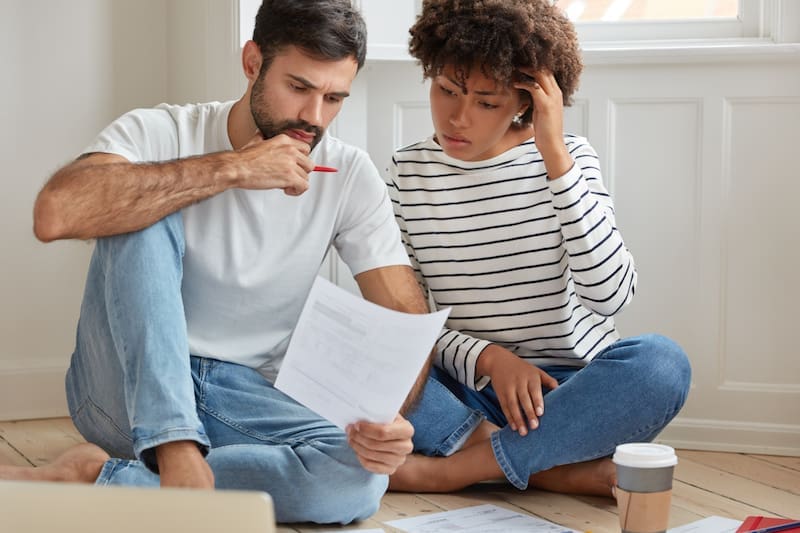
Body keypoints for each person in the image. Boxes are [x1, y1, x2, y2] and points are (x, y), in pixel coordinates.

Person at [1, 0, 432, 525]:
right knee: (139, 200)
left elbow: (404, 315)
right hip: (122, 383)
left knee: (358, 479)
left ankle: (99, 481)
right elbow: (55, 213)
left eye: (334, 98)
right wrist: (234, 169)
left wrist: (390, 419)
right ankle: (175, 447)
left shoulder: (347, 173)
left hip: (240, 392)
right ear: (253, 62)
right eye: (298, 88)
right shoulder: (163, 132)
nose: (314, 118)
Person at [384, 0, 692, 497]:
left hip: (568, 399)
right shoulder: (407, 172)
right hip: (468, 389)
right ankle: (550, 469)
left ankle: (454, 469)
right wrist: (491, 360)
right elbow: (412, 317)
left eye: (487, 102)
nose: (459, 117)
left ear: (526, 102)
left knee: (662, 365)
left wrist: (555, 156)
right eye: (446, 91)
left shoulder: (570, 160)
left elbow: (611, 297)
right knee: (365, 360)